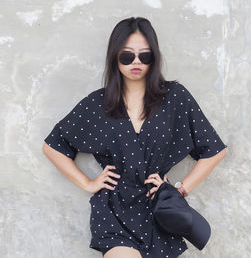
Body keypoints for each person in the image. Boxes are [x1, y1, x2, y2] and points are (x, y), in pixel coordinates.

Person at [42, 16, 227, 258]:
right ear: (114, 57)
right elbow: (53, 145)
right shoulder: (99, 103)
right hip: (114, 209)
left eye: (145, 55)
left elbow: (215, 150)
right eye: (127, 56)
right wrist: (88, 183)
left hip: (158, 209)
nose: (136, 62)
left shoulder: (175, 98)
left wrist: (180, 190)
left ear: (154, 57)